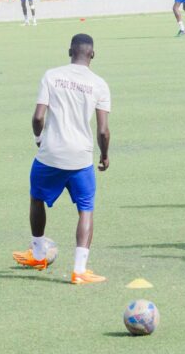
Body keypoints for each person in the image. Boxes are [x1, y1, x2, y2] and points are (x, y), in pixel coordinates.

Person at [12, 34, 111, 285]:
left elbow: (38, 117)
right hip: (81, 158)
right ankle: (79, 270)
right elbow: (103, 130)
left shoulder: (52, 75)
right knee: (85, 210)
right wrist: (104, 155)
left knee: (36, 199)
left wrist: (39, 138)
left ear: (70, 51)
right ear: (92, 54)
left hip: (50, 153)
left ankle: (38, 255)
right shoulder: (99, 84)